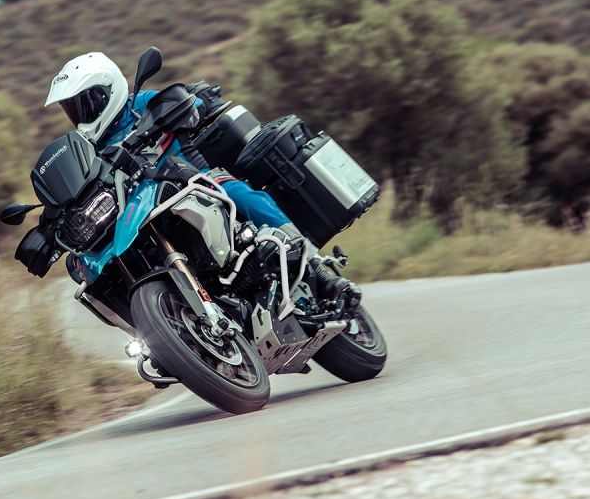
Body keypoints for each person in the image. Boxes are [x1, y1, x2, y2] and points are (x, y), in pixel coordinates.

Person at [45, 51, 360, 313]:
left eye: (86, 102)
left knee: (237, 192)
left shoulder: (142, 104)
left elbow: (191, 104)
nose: (80, 113)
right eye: (72, 108)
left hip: (193, 180)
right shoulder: (90, 148)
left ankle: (315, 267)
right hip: (144, 211)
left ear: (109, 89)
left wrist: (186, 106)